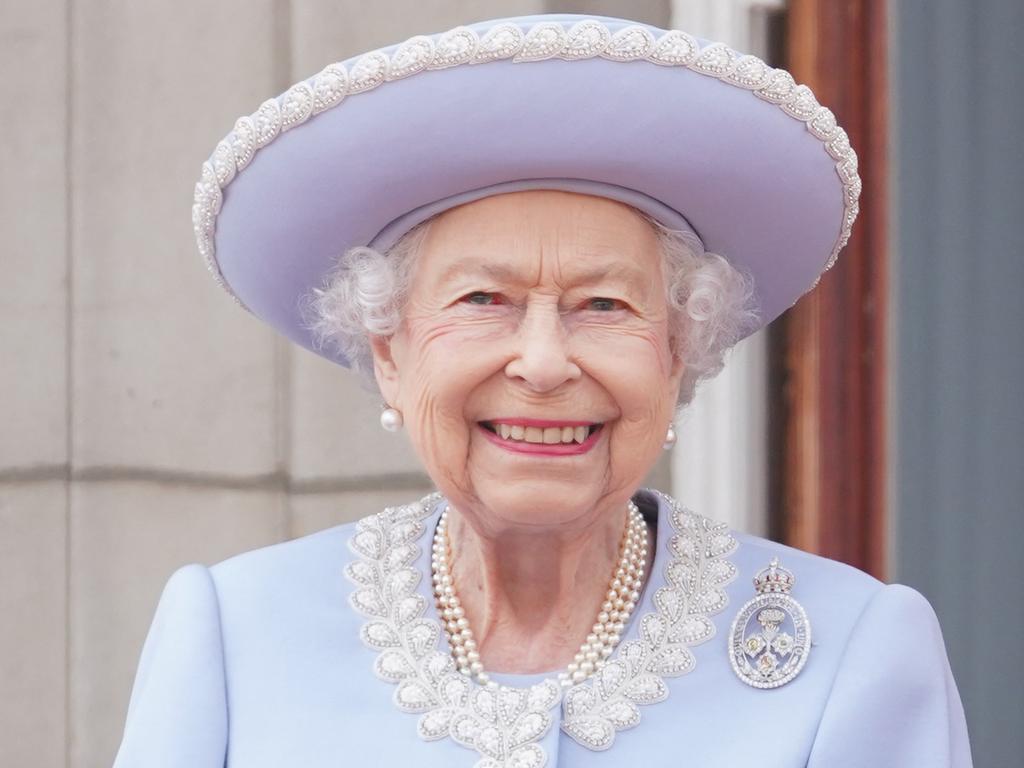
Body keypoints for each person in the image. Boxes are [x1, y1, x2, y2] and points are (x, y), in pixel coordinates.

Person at [114, 13, 972, 768]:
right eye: (483, 300)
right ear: (389, 351)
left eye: (603, 304)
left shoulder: (850, 650)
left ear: (677, 354)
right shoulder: (234, 632)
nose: (544, 362)